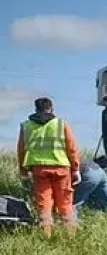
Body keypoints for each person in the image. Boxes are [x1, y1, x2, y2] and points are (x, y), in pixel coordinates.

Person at [16, 97, 81, 235]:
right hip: (61, 168)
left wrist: (23, 170)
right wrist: (75, 169)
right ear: (51, 108)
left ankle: (46, 236)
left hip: (39, 169)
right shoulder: (61, 124)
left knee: (44, 204)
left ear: (36, 109)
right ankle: (70, 237)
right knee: (65, 204)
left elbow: (21, 150)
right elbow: (72, 148)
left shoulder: (26, 125)